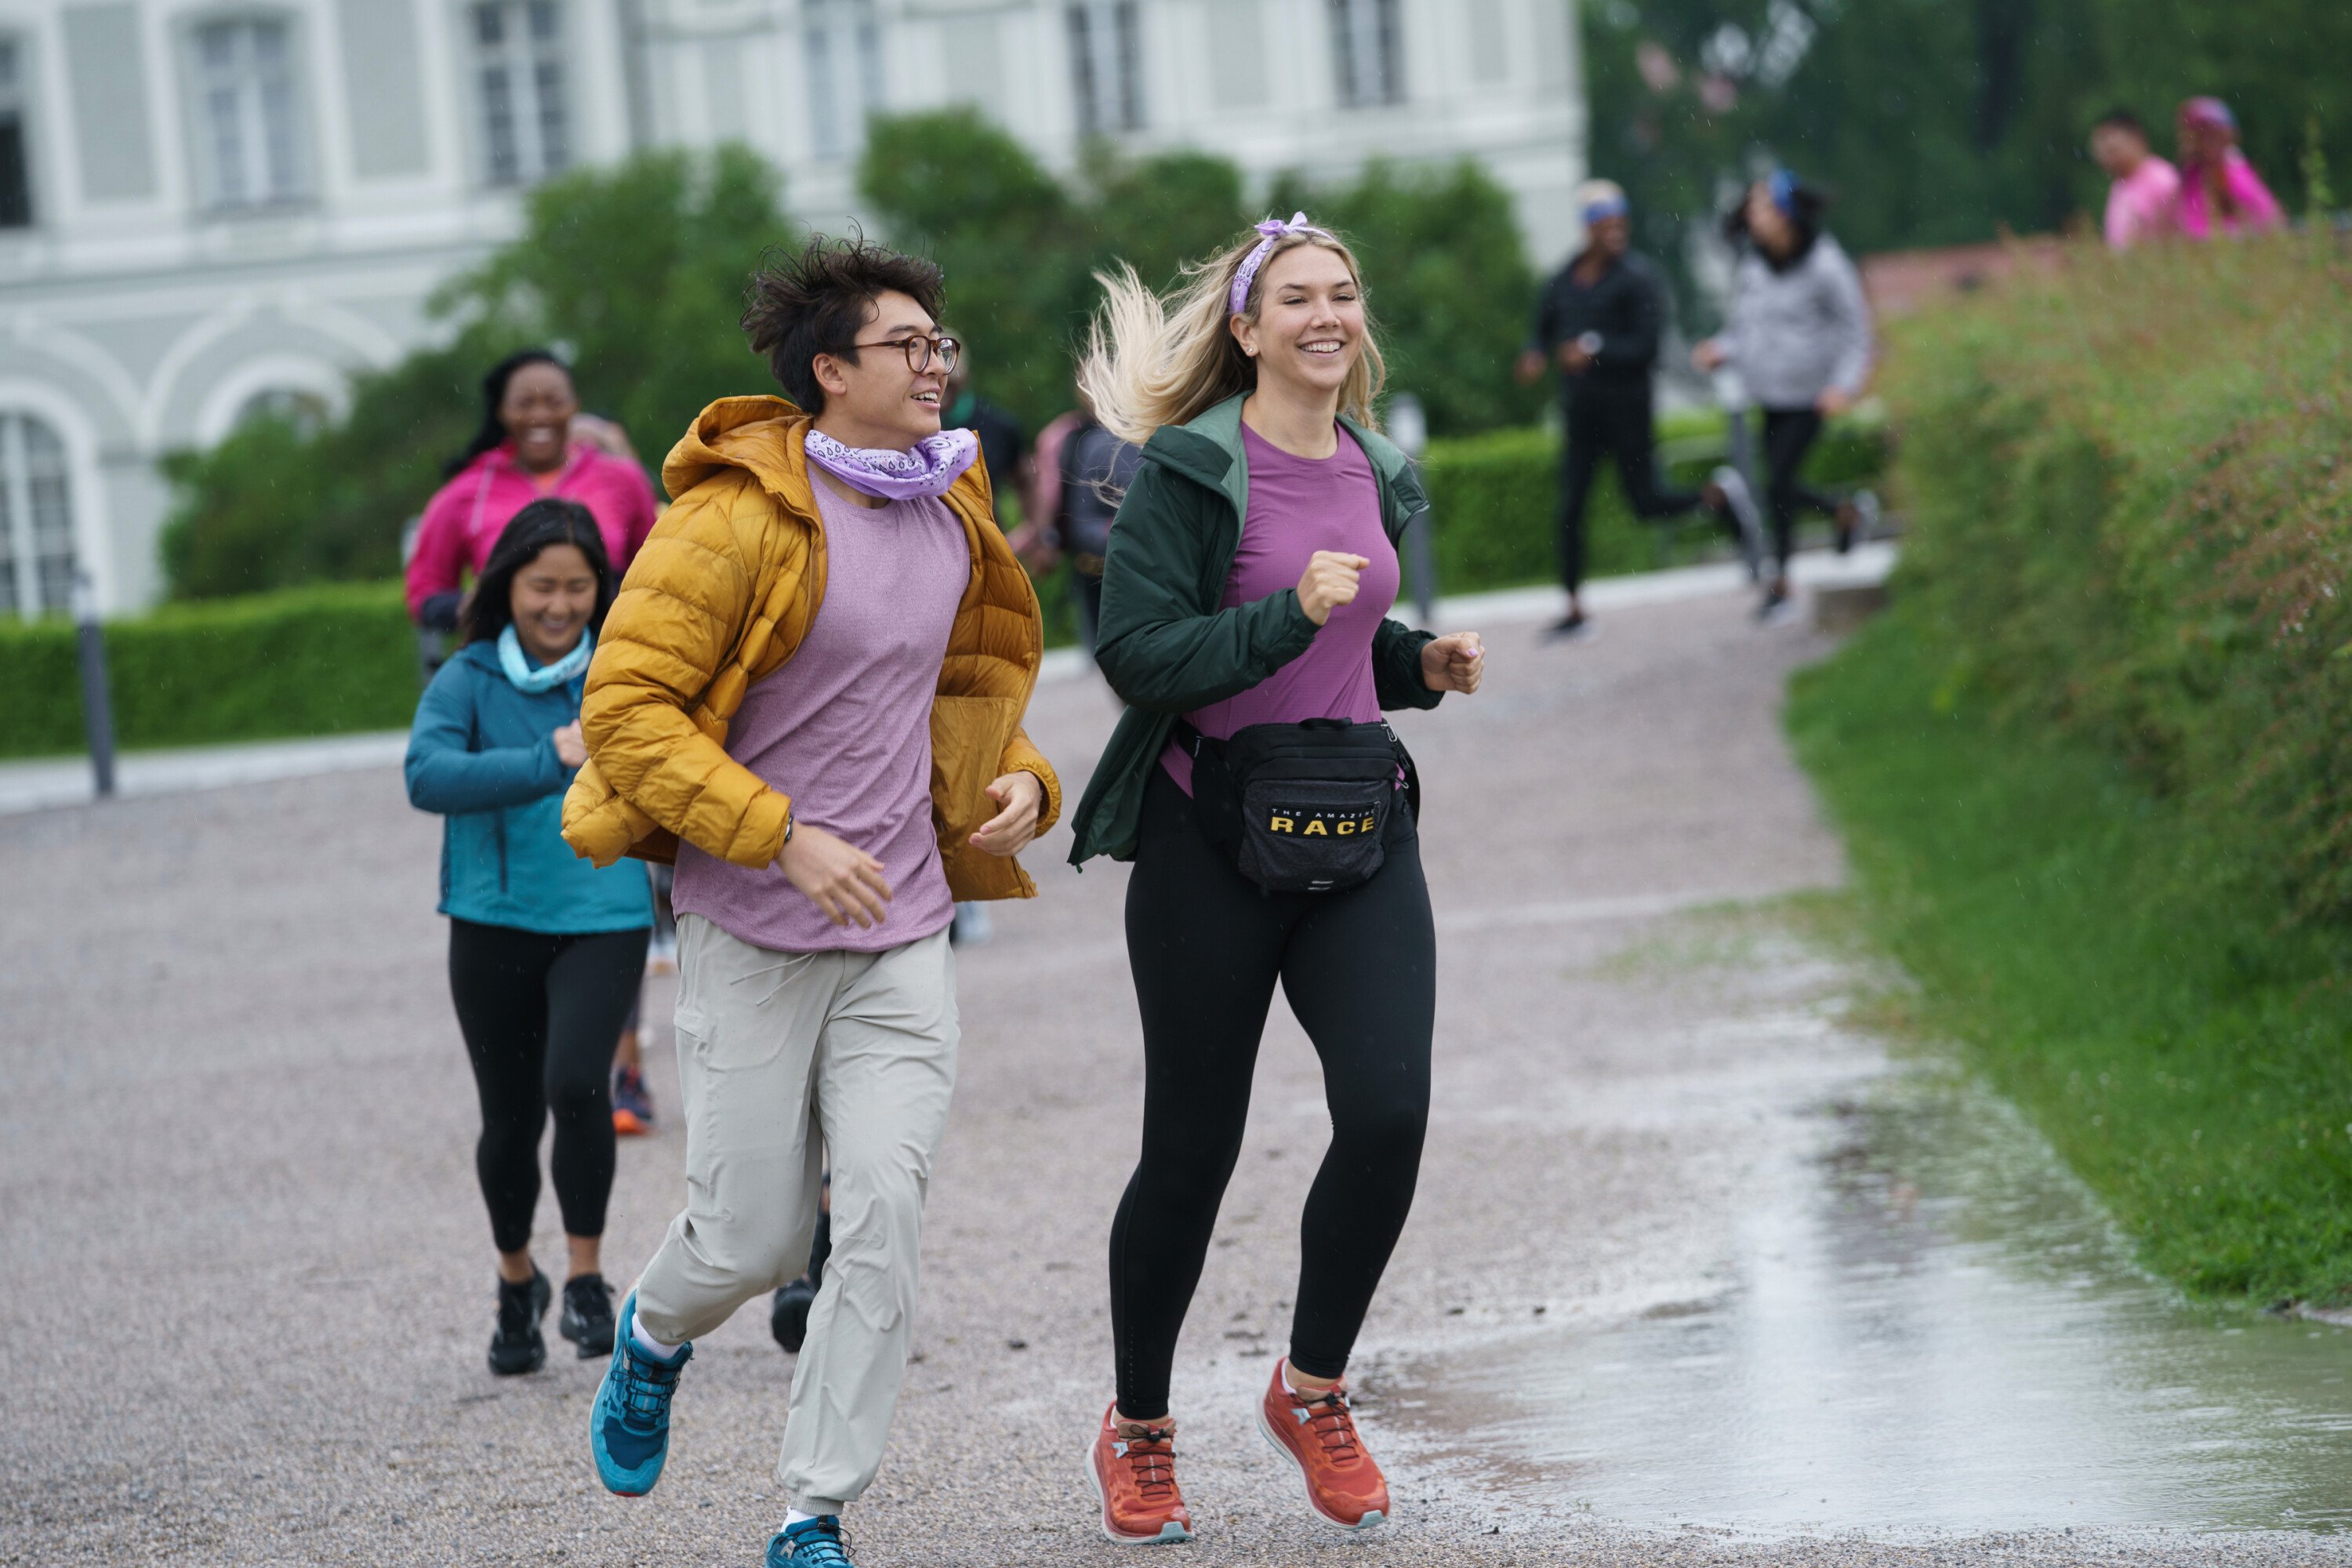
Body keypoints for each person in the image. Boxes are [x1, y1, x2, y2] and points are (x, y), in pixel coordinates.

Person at [560, 234, 1061, 1568]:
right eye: (908, 346)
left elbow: (960, 700)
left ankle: (811, 1511)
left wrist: (1022, 780)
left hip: (903, 931)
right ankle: (654, 1334)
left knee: (882, 1219)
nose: (935, 365)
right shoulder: (732, 517)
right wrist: (779, 839)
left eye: (939, 345)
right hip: (754, 927)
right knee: (753, 1235)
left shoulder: (953, 503)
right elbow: (625, 709)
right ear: (830, 370)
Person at [1065, 213, 1487, 1544]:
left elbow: (1346, 650)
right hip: (1209, 838)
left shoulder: (1379, 466)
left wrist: (1415, 663)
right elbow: (1140, 655)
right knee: (1192, 1148)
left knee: (1389, 1111)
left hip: (1354, 826)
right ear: (1246, 329)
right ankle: (1138, 1428)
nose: (1327, 314)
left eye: (1343, 294)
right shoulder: (1188, 470)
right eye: (1297, 297)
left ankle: (1311, 1388)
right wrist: (1284, 615)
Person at [403, 499, 653, 1376]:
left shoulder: (628, 668)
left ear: (602, 590)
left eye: (578, 587)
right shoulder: (470, 677)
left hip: (605, 913)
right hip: (492, 919)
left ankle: (586, 1272)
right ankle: (519, 1279)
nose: (559, 604)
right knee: (509, 1120)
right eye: (541, 585)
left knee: (579, 1083)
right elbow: (426, 774)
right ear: (506, 582)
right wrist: (549, 758)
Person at [1515, 179, 1759, 641]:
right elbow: (1542, 329)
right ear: (1587, 229)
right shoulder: (1564, 279)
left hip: (1627, 408)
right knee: (1569, 509)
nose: (1615, 235)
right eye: (1606, 226)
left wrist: (1597, 350)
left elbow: (1647, 348)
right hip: (1582, 413)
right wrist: (1534, 353)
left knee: (1646, 502)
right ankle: (1572, 608)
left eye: (1620, 226)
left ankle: (1718, 497)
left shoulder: (1638, 278)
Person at [1692, 171, 1875, 622]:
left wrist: (1843, 386)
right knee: (1777, 486)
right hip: (1768, 394)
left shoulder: (1827, 266)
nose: (1754, 217)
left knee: (1776, 484)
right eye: (1752, 209)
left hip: (1811, 395)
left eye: (1764, 208)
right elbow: (1744, 329)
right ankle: (1845, 511)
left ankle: (1781, 585)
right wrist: (1722, 349)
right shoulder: (1755, 267)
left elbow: (1858, 334)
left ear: (1788, 216)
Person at [404, 350, 660, 631]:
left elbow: (656, 568)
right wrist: (474, 606)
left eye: (554, 401)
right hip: (502, 661)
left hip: (609, 655)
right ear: (502, 411)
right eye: (524, 403)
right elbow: (425, 588)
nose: (540, 414)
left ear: (575, 405)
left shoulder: (622, 477)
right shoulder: (467, 490)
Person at [2176, 97, 2287, 241]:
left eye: (2211, 134)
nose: (2205, 141)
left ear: (2227, 136)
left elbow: (2270, 220)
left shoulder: (2234, 172)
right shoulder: (2191, 173)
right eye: (2199, 134)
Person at [2092, 109, 2181, 250]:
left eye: (2113, 150)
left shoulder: (2162, 180)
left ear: (2137, 140)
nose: (2105, 157)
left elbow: (2180, 235)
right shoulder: (2120, 184)